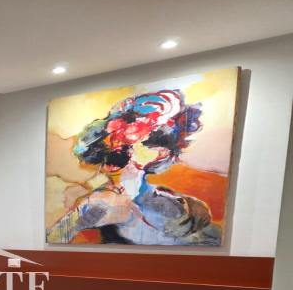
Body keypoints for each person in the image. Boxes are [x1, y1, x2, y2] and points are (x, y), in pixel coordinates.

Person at [47, 89, 222, 245]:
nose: (161, 151)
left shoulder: (171, 200)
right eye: (152, 143)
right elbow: (55, 238)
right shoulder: (101, 202)